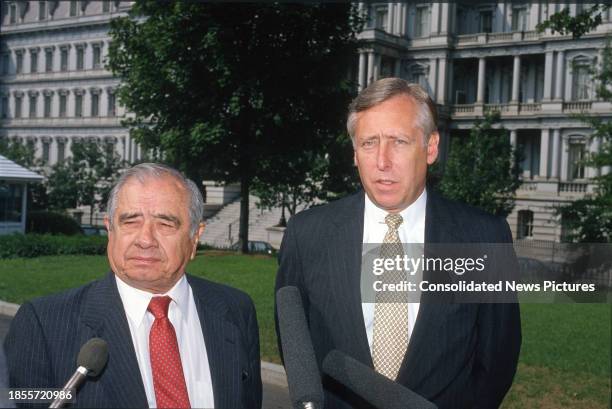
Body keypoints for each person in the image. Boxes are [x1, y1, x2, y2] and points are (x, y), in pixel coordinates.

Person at [275, 78, 521, 409]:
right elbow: (294, 341)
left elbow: (496, 361)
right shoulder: (307, 234)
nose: (382, 161)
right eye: (369, 143)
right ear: (354, 153)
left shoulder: (483, 237)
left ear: (431, 147)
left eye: (399, 142)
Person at [5, 163, 262, 409]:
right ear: (110, 230)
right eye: (130, 221)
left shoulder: (236, 310)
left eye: (165, 223)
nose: (145, 239)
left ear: (194, 237)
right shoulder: (43, 324)